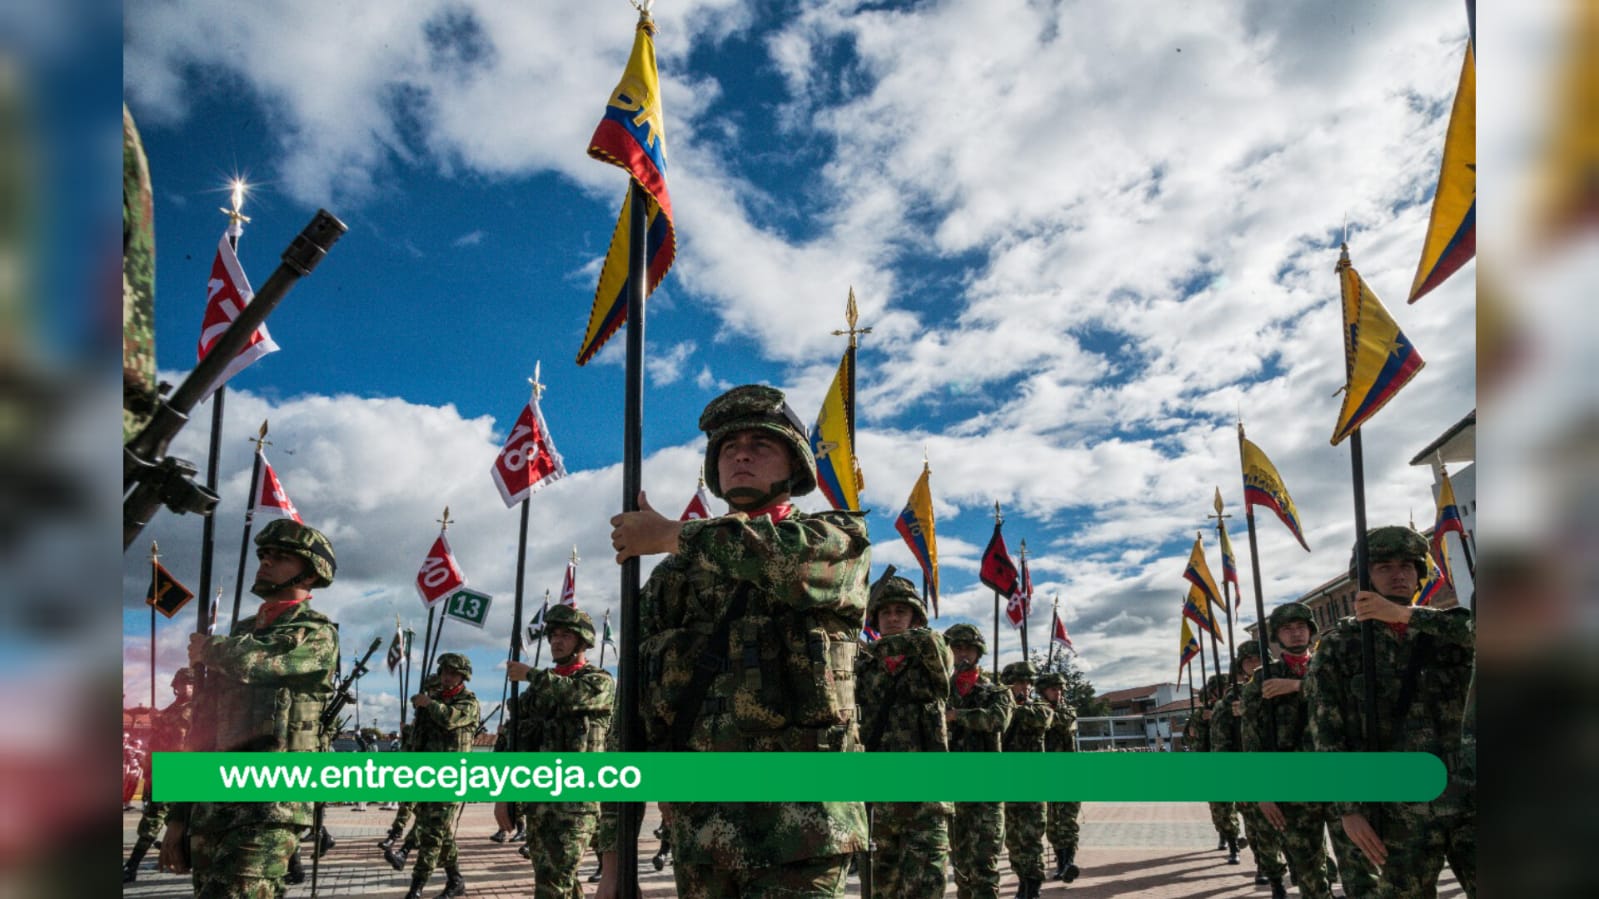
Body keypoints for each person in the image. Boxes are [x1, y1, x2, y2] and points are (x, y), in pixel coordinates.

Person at [598, 384, 871, 898]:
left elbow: (783, 560)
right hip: (703, 839)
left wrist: (669, 534)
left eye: (760, 444)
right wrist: (614, 864)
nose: (741, 453)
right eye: (728, 447)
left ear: (794, 467)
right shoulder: (674, 580)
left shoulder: (836, 539)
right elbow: (628, 725)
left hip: (805, 833)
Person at [158, 519, 340, 898]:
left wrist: (211, 649)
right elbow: (201, 731)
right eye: (264, 555)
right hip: (213, 805)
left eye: (281, 556)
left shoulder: (316, 632)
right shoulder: (239, 633)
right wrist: (177, 818)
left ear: (311, 570)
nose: (266, 563)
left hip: (269, 806)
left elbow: (261, 661)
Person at [1304, 526, 1476, 898]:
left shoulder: (1446, 629)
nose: (1398, 574)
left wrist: (1408, 616)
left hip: (1469, 797)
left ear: (1419, 574)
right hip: (1398, 808)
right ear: (1363, 578)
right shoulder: (1339, 647)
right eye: (1383, 566)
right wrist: (1348, 809)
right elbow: (1327, 734)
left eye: (1407, 566)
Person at [1244, 602, 1377, 899]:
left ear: (1311, 631)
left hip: (1339, 777)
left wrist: (1295, 686)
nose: (1295, 634)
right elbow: (1252, 740)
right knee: (1308, 869)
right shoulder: (1260, 682)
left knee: (1359, 864)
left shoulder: (1331, 664)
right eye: (1287, 629)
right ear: (1277, 637)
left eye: (1301, 627)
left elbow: (1357, 701)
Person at [854, 568, 953, 898]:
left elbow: (931, 642)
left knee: (925, 889)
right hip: (880, 800)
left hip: (925, 800)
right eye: (885, 611)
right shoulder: (865, 665)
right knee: (884, 890)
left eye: (901, 611)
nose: (892, 617)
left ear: (915, 618)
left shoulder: (930, 651)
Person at [505, 604, 615, 898]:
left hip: (575, 807)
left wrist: (532, 675)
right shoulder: (536, 691)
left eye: (565, 635)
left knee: (553, 885)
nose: (556, 640)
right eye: (553, 635)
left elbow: (572, 695)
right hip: (540, 803)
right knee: (556, 881)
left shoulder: (598, 681)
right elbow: (514, 738)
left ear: (581, 641)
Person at [396, 653, 479, 899]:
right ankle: (455, 878)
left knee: (433, 835)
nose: (446, 677)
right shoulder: (434, 700)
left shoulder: (468, 702)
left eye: (452, 673)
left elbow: (449, 718)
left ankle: (416, 888)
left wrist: (428, 704)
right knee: (438, 832)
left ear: (463, 677)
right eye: (444, 672)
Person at [943, 623, 1014, 899]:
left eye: (968, 649)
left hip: (986, 793)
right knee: (961, 870)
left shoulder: (995, 692)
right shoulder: (939, 691)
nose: (962, 654)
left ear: (978, 653)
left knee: (984, 867)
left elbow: (997, 720)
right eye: (956, 648)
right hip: (953, 793)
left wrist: (956, 716)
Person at [1209, 641, 1286, 882]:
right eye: (1249, 661)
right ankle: (1267, 868)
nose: (1255, 664)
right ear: (1241, 667)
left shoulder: (1285, 683)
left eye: (1259, 659)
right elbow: (1222, 745)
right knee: (1258, 826)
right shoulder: (1229, 702)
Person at [124, 667, 195, 882]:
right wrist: (150, 772)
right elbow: (155, 744)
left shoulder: (200, 709)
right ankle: (132, 865)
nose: (186, 687)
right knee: (154, 818)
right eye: (182, 683)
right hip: (167, 769)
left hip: (188, 770)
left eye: (190, 683)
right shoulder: (170, 711)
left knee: (191, 821)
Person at [1000, 662, 1053, 899]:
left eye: (1028, 682)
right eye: (1019, 682)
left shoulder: (1039, 707)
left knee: (1031, 837)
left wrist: (1011, 706)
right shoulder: (999, 706)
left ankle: (1033, 885)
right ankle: (1022, 878)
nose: (1024, 687)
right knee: (1013, 839)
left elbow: (1042, 719)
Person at [1036, 672, 1081, 882]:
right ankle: (1061, 862)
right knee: (1053, 823)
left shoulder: (1067, 710)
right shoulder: (1035, 709)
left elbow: (1063, 722)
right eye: (1054, 689)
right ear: (1043, 691)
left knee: (1068, 821)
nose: (1059, 693)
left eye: (1060, 689)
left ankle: (1068, 863)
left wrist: (1043, 713)